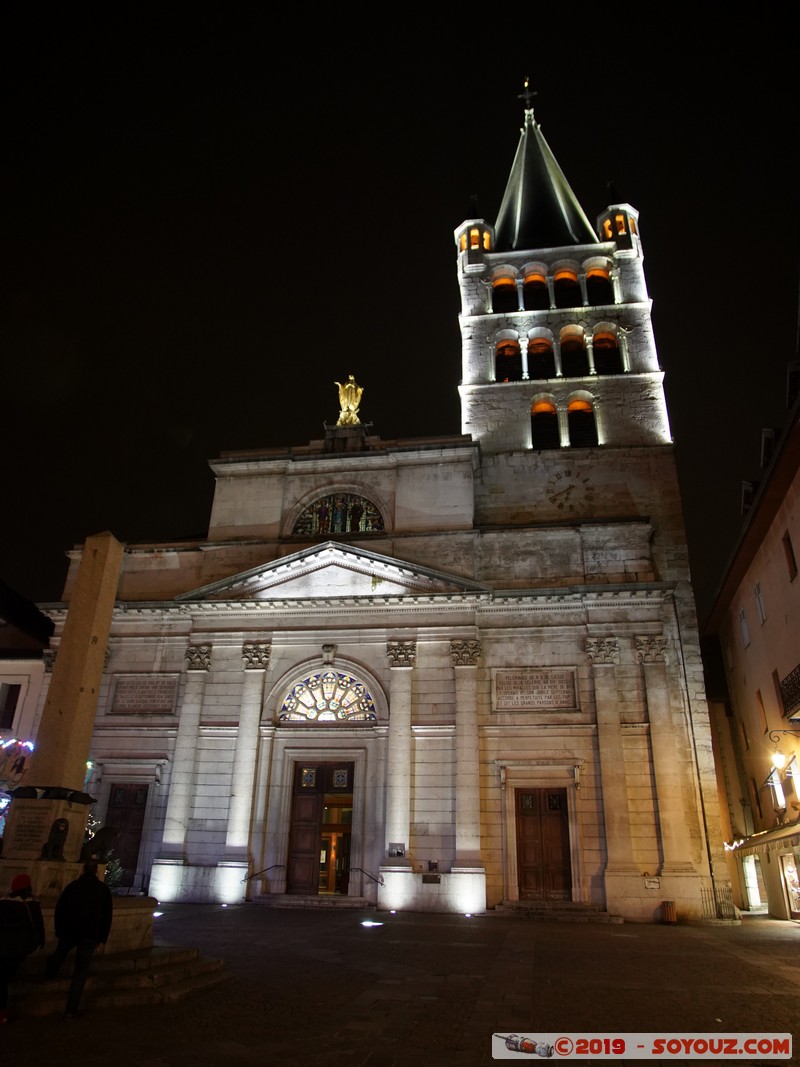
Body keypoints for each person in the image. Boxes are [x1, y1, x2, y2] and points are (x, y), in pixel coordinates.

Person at [46, 860, 113, 1019]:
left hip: (69, 931)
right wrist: (102, 938)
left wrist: (59, 930)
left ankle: (49, 974)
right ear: (96, 871)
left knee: (59, 954)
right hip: (90, 934)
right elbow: (107, 916)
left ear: (83, 870)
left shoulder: (72, 886)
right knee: (81, 971)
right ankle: (71, 1010)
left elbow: (59, 908)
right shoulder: (103, 889)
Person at [0, 872, 45, 1025]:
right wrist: (41, 941)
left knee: (3, 978)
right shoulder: (32, 904)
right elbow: (39, 924)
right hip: (20, 949)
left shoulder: (4, 903)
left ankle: (2, 1011)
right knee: (5, 977)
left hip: (4, 947)